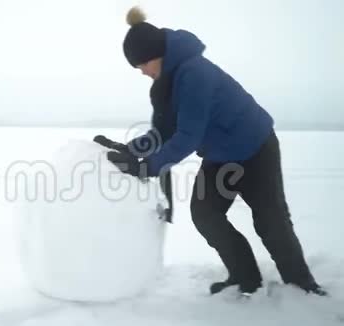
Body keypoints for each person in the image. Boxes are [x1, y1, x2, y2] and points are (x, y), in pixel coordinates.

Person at [95, 6, 327, 296]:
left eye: (142, 64)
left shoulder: (194, 74)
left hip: (256, 150)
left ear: (156, 55)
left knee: (270, 221)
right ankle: (245, 278)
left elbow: (187, 137)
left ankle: (303, 287)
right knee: (205, 214)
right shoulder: (163, 86)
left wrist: (147, 168)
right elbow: (162, 132)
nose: (141, 72)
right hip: (220, 157)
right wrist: (130, 150)